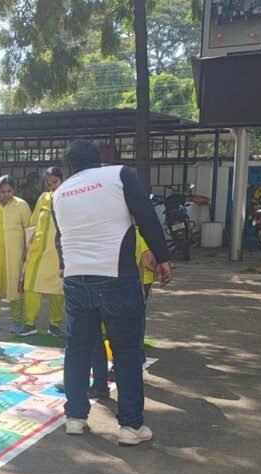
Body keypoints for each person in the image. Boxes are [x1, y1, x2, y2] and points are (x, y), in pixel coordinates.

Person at [52, 140, 172, 446]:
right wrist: (162, 256)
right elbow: (145, 216)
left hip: (77, 280)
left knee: (77, 349)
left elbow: (60, 238)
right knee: (127, 351)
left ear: (70, 166)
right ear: (99, 160)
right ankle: (131, 427)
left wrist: (67, 266)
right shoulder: (119, 175)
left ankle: (75, 417)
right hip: (116, 277)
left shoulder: (60, 193)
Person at [0, 175, 32, 333]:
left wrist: (26, 249)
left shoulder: (21, 205)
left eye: (9, 191)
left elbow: (28, 228)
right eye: (2, 191)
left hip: (15, 251)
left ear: (14, 190)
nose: (5, 195)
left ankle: (16, 321)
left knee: (15, 285)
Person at [19, 167, 65, 337]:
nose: (52, 186)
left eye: (55, 182)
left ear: (62, 180)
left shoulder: (68, 197)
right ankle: (29, 323)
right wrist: (27, 246)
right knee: (31, 286)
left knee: (58, 290)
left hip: (59, 253)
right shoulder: (43, 198)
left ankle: (55, 324)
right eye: (49, 183)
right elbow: (33, 223)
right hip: (38, 250)